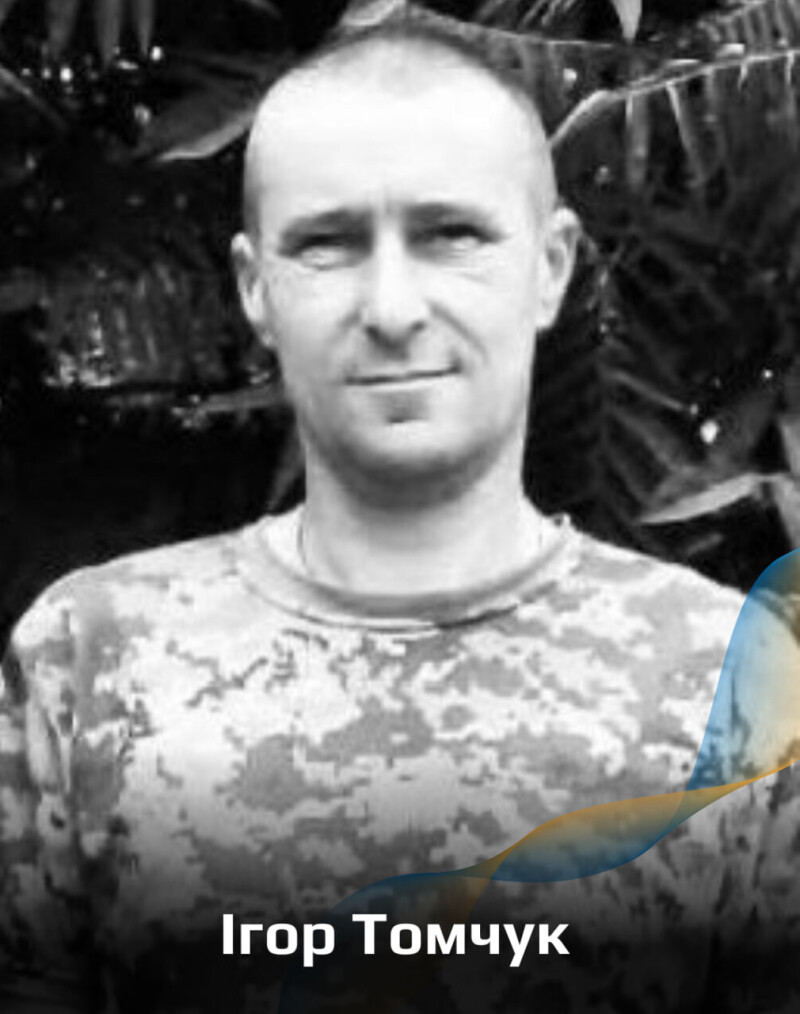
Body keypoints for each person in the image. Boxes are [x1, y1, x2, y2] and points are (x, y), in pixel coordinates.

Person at [2, 19, 800, 1014]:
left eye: (450, 236)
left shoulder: (732, 681)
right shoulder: (88, 660)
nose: (390, 307)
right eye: (327, 245)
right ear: (255, 288)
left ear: (550, 267)